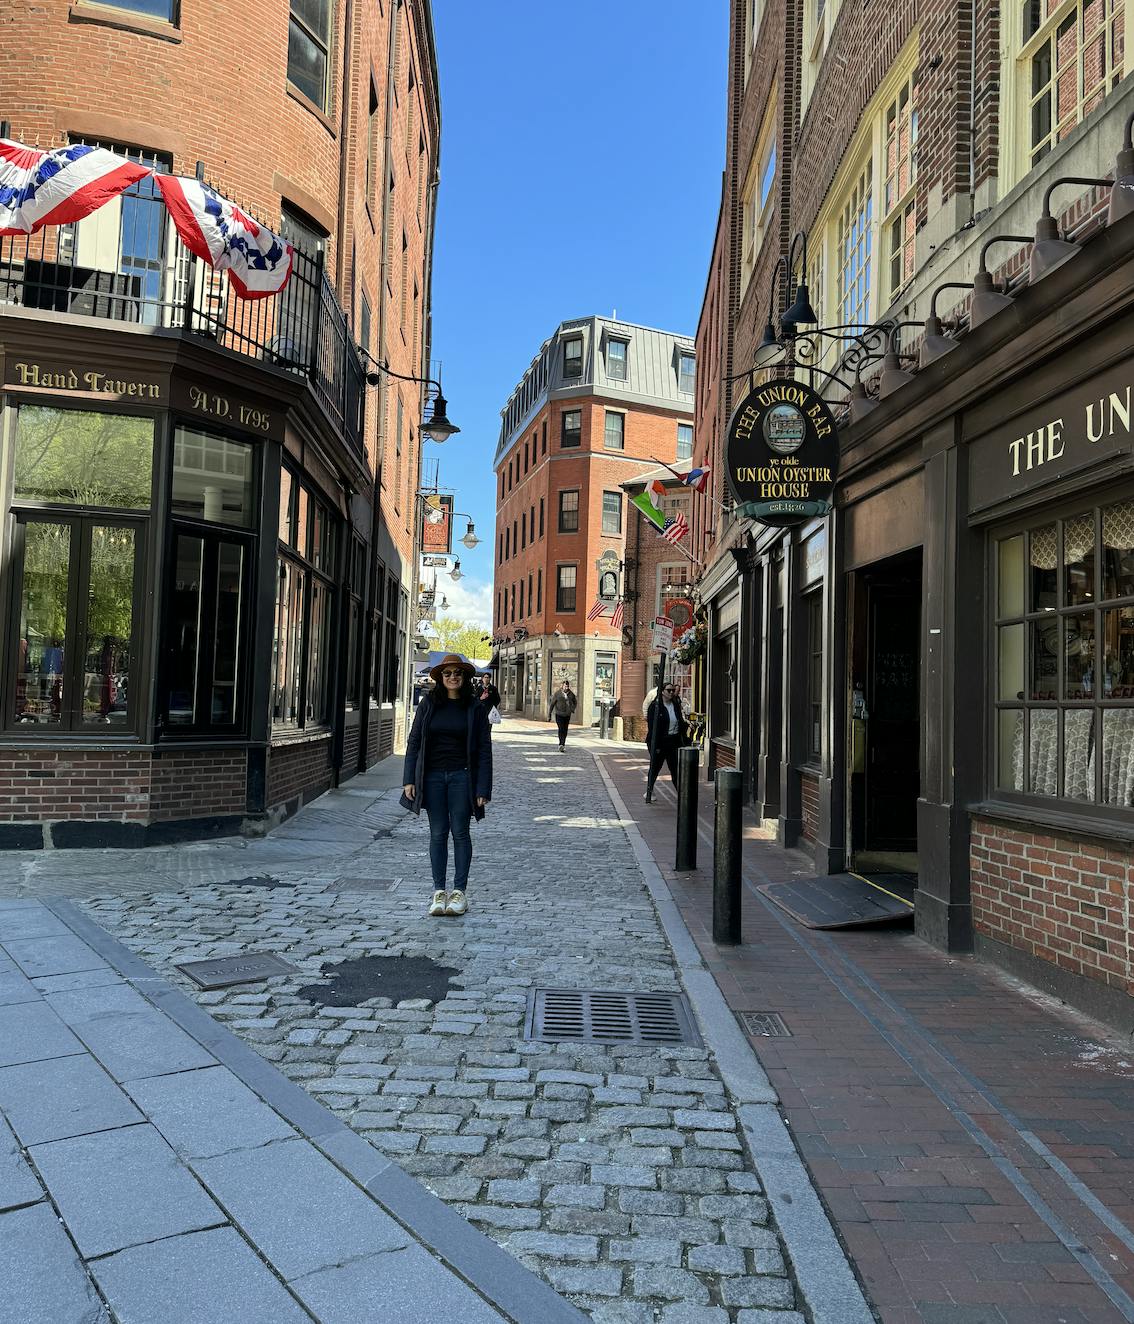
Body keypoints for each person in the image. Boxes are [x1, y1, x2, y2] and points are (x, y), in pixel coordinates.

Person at [401, 654, 493, 918]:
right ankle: (439, 892)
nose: (453, 677)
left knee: (460, 833)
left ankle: (459, 893)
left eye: (458, 673)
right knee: (438, 833)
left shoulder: (474, 708)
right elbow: (414, 741)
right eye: (447, 673)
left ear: (464, 678)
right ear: (440, 678)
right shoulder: (429, 704)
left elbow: (484, 750)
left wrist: (482, 788)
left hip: (462, 777)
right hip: (431, 777)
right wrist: (409, 778)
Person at [644, 681, 688, 802]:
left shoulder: (675, 704)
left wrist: (683, 738)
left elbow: (679, 722)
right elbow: (653, 728)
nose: (671, 692)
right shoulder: (656, 706)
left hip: (673, 741)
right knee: (655, 767)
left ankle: (682, 795)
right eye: (669, 690)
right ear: (662, 692)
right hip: (659, 742)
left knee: (675, 768)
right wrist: (656, 745)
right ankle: (649, 791)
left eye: (673, 690)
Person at [547, 679, 577, 751]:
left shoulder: (571, 694)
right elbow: (552, 704)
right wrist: (549, 714)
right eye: (565, 686)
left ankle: (563, 744)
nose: (566, 688)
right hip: (559, 714)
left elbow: (575, 702)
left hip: (567, 714)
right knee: (561, 728)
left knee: (565, 729)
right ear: (562, 686)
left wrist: (572, 709)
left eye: (567, 686)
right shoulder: (557, 694)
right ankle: (561, 744)